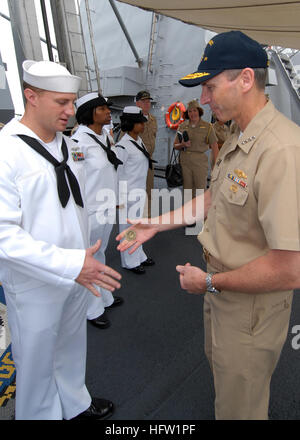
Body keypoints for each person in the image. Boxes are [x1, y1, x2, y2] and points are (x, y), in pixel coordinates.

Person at [116, 30, 300, 420]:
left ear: (246, 79)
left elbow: (290, 269)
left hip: (248, 305)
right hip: (224, 293)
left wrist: (210, 283)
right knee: (226, 387)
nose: (202, 99)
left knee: (241, 408)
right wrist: (154, 224)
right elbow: (216, 196)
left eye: (211, 87)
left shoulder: (282, 150)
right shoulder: (240, 132)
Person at [0, 60, 122, 420]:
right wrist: (71, 264)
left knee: (71, 346)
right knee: (36, 361)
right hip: (34, 280)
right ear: (31, 96)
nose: (71, 111)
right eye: (61, 103)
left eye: (72, 102)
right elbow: (4, 236)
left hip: (77, 270)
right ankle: (40, 414)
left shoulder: (67, 145)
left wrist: (81, 261)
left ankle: (75, 402)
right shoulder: (7, 153)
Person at [72, 92, 124, 330]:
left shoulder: (104, 136)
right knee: (90, 259)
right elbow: (76, 179)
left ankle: (104, 298)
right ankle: (91, 311)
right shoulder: (78, 142)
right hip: (91, 210)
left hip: (106, 205)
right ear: (90, 113)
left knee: (101, 253)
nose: (107, 113)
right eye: (102, 109)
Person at [116, 106, 155, 274]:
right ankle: (130, 261)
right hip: (128, 195)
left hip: (139, 192)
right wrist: (118, 199)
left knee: (139, 227)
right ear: (131, 124)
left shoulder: (137, 141)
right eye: (140, 123)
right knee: (129, 229)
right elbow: (116, 174)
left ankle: (139, 254)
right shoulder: (122, 147)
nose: (143, 125)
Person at [173, 100, 218, 200]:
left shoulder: (207, 127)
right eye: (189, 111)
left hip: (199, 163)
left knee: (200, 191)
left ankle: (201, 215)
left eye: (194, 110)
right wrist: (183, 144)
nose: (192, 113)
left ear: (199, 111)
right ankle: (189, 214)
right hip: (185, 163)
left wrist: (216, 165)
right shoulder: (182, 126)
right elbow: (175, 145)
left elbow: (214, 146)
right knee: (187, 191)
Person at [135, 90, 157, 216]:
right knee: (137, 189)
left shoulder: (153, 120)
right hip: (137, 162)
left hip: (149, 160)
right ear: (138, 103)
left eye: (148, 101)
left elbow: (153, 137)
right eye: (144, 102)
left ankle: (147, 216)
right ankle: (136, 215)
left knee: (149, 189)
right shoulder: (132, 120)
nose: (147, 104)